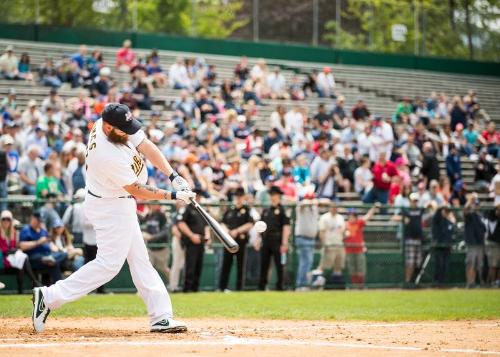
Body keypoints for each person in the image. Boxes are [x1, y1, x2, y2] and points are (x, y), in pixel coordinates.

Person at [32, 103, 195, 334]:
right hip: (110, 206)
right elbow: (137, 189)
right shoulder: (106, 154)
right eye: (123, 129)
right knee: (109, 265)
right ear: (108, 127)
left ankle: (161, 316)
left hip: (118, 201)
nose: (128, 132)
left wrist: (173, 175)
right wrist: (173, 195)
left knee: (140, 260)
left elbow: (145, 144)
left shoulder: (111, 125)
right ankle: (48, 297)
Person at [219, 187, 254, 292]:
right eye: (237, 196)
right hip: (229, 241)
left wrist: (237, 231)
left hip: (241, 241)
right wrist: (228, 232)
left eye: (240, 196)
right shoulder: (230, 210)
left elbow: (250, 223)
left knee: (241, 265)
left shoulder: (246, 210)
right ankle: (222, 287)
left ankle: (240, 288)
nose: (238, 198)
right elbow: (222, 223)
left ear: (243, 197)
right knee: (226, 264)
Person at [19, 211, 67, 285]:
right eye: (38, 220)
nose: (39, 222)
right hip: (35, 258)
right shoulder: (26, 229)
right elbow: (22, 246)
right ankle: (60, 287)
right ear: (33, 219)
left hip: (48, 255)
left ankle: (51, 259)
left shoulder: (43, 230)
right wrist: (38, 242)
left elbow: (48, 242)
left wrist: (53, 246)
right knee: (54, 265)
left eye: (40, 221)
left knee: (63, 254)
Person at [0, 210, 42, 293]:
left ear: (11, 221)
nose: (6, 221)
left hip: (12, 257)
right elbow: (2, 249)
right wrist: (9, 250)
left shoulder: (14, 232)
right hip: (3, 259)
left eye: (8, 219)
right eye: (4, 219)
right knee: (23, 259)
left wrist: (13, 250)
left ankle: (24, 288)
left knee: (22, 258)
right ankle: (34, 282)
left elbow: (14, 246)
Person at [177, 189, 210, 293]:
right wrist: (191, 235)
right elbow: (181, 224)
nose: (199, 198)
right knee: (190, 265)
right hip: (191, 241)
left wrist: (207, 236)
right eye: (197, 196)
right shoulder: (187, 209)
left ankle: (195, 288)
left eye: (200, 196)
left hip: (201, 241)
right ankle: (187, 288)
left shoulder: (202, 210)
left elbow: (206, 225)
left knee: (199, 265)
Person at [258, 186, 290, 291]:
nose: (273, 197)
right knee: (264, 264)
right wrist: (258, 239)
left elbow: (286, 226)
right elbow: (260, 226)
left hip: (277, 239)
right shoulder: (266, 210)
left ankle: (280, 286)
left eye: (275, 195)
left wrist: (284, 243)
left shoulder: (282, 210)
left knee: (279, 264)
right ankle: (262, 286)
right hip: (266, 239)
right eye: (271, 195)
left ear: (279, 196)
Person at [344, 204, 379, 288]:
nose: (351, 217)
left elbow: (368, 216)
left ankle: (361, 286)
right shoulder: (345, 224)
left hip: (359, 249)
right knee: (352, 269)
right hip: (349, 250)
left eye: (353, 215)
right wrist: (344, 234)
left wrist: (373, 208)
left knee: (361, 269)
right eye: (350, 215)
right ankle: (355, 286)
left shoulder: (359, 222)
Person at [294, 193, 319, 291]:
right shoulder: (302, 207)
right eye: (311, 199)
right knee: (306, 261)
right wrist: (310, 201)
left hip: (311, 239)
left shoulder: (314, 208)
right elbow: (302, 204)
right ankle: (301, 284)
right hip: (303, 237)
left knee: (308, 262)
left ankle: (303, 284)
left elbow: (327, 201)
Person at [317, 201, 346, 287]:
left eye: (336, 207)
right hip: (329, 245)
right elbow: (321, 232)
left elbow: (342, 230)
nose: (334, 209)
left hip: (339, 244)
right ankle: (317, 284)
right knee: (324, 266)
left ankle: (336, 286)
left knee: (338, 266)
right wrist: (324, 244)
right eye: (333, 207)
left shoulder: (340, 217)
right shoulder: (324, 217)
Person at [398, 193, 425, 285]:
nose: (415, 203)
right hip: (409, 239)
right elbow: (396, 216)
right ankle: (407, 282)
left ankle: (414, 282)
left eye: (416, 201)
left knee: (418, 263)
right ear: (410, 201)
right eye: (413, 201)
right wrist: (403, 219)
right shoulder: (405, 210)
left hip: (419, 239)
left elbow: (431, 207)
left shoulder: (420, 210)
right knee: (410, 263)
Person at [141, 204, 170, 285]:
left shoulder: (162, 215)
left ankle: (172, 285)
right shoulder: (149, 215)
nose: (153, 206)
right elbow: (142, 220)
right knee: (148, 268)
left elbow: (165, 232)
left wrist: (152, 237)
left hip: (161, 247)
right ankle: (145, 288)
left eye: (155, 204)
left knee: (164, 269)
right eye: (152, 204)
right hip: (151, 247)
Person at [464, 193, 486, 287]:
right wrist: (470, 200)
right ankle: (469, 282)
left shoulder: (481, 215)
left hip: (480, 242)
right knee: (470, 263)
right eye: (475, 204)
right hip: (472, 242)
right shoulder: (470, 214)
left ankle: (474, 282)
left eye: (477, 204)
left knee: (478, 264)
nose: (476, 206)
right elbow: (465, 211)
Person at [432, 205, 456, 285]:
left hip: (447, 246)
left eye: (447, 211)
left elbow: (452, 229)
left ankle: (443, 282)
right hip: (439, 246)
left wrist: (451, 218)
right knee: (439, 264)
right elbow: (436, 215)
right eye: (445, 211)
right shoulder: (437, 219)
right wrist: (442, 207)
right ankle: (437, 281)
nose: (446, 213)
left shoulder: (448, 221)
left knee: (445, 265)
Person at [484, 205, 500, 287]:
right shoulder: (491, 218)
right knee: (493, 265)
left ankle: (497, 282)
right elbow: (492, 215)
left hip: (497, 244)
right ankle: (491, 282)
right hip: (493, 244)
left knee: (496, 265)